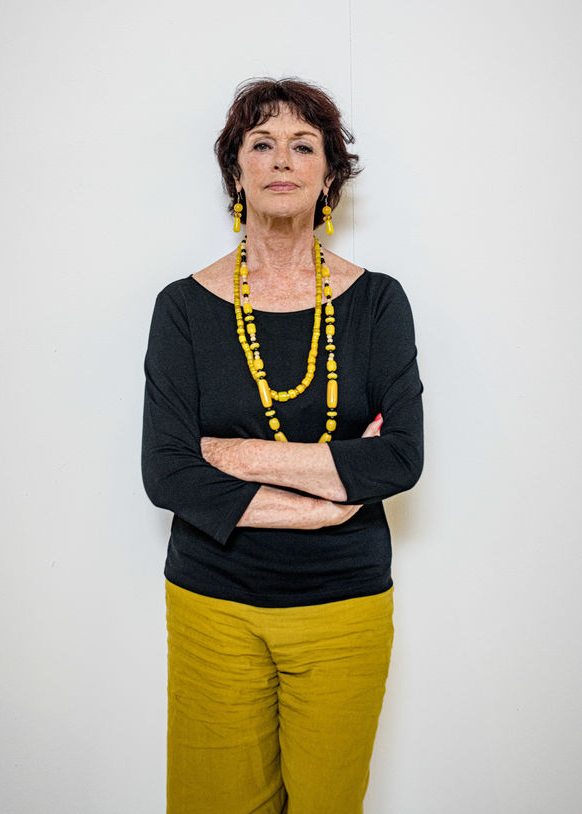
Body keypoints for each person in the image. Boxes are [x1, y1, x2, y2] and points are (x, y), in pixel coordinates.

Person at [141, 77, 424, 814]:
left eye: (303, 145)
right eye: (261, 143)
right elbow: (167, 473)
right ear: (235, 171)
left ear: (329, 175)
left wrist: (233, 454)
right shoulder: (182, 307)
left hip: (344, 607)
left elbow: (398, 458)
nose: (281, 160)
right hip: (211, 605)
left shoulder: (377, 301)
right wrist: (325, 501)